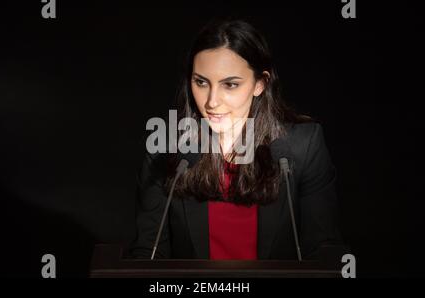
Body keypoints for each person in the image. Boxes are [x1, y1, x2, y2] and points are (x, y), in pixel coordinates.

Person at [128, 17, 342, 260]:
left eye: (230, 84)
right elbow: (148, 254)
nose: (211, 102)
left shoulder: (304, 145)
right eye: (201, 82)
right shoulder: (166, 151)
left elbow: (324, 252)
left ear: (260, 84)